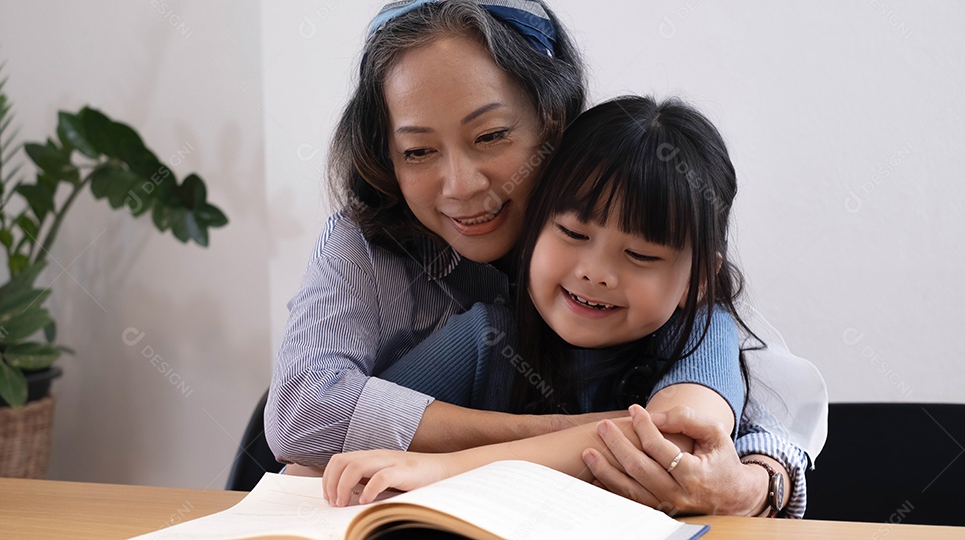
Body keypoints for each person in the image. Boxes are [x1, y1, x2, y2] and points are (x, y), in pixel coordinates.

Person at [266, 0, 811, 517]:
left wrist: (760, 476)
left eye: (492, 135)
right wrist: (598, 434)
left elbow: (707, 433)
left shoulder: (679, 300)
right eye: (418, 150)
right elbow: (304, 430)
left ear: (552, 123)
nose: (459, 186)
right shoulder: (474, 328)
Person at [322, 95, 759, 508]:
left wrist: (446, 467)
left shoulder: (699, 336)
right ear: (534, 226)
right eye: (573, 233)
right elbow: (345, 441)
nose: (594, 272)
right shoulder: (485, 338)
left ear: (697, 280)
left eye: (640, 255)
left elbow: (677, 448)